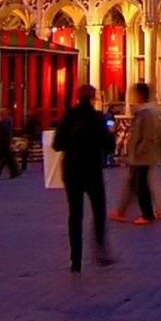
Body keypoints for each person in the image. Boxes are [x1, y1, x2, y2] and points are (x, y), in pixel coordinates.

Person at [53, 84, 115, 272]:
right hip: (92, 169)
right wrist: (110, 134)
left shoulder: (69, 116)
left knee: (75, 213)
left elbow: (57, 144)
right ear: (94, 98)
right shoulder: (97, 118)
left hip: (72, 168)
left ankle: (76, 259)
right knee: (98, 209)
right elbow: (109, 147)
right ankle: (100, 248)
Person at [125, 82, 161, 225]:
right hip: (142, 153)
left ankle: (147, 214)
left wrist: (138, 152)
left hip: (143, 155)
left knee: (141, 185)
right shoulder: (144, 112)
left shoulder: (146, 113)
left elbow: (147, 135)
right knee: (142, 184)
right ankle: (150, 211)